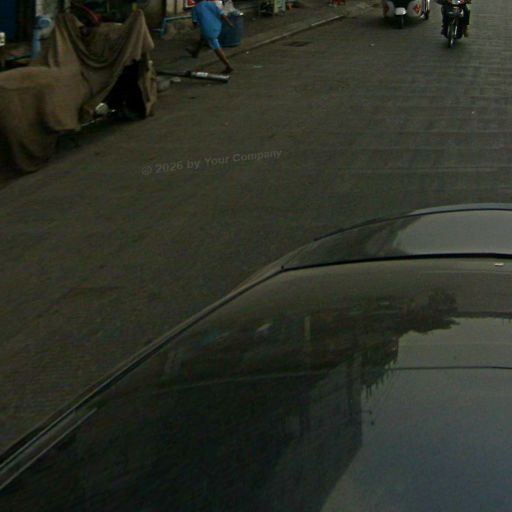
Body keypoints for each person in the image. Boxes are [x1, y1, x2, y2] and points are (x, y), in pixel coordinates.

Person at [187, 0, 235, 74]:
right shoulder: (211, 4)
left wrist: (194, 27)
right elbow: (222, 14)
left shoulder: (195, 8)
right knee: (203, 36)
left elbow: (195, 23)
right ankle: (195, 52)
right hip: (217, 26)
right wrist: (229, 23)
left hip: (208, 30)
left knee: (216, 46)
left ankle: (228, 66)